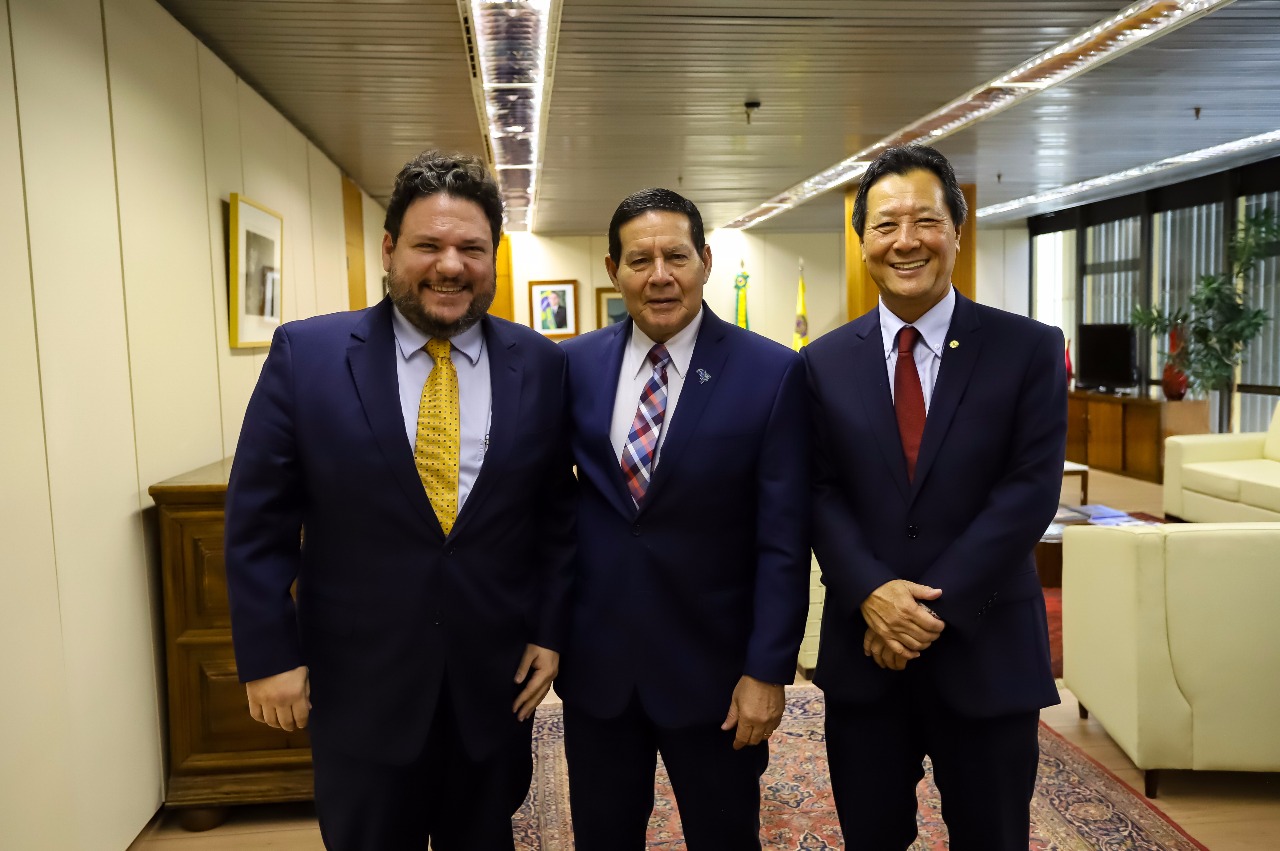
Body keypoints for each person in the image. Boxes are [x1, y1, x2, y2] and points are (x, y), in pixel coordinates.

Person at [223, 150, 575, 851]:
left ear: (494, 258)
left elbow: (554, 519)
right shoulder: (308, 356)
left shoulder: (539, 364)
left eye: (471, 248)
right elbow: (257, 522)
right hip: (360, 689)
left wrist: (549, 629)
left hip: (491, 687)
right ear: (389, 249)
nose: (450, 265)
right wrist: (267, 656)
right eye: (429, 245)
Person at [803, 144, 1066, 850]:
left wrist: (920, 611)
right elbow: (819, 490)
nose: (906, 240)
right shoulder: (821, 364)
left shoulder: (1030, 349)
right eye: (885, 225)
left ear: (959, 225)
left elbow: (1029, 490)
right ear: (863, 242)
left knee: (993, 836)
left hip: (987, 652)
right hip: (865, 654)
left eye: (925, 219)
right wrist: (871, 594)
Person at [556, 188, 810, 849]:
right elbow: (551, 509)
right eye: (640, 259)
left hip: (717, 675)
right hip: (599, 672)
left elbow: (783, 537)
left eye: (676, 255)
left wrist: (768, 669)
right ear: (613, 268)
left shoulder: (772, 372)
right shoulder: (572, 367)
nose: (659, 275)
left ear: (705, 260)